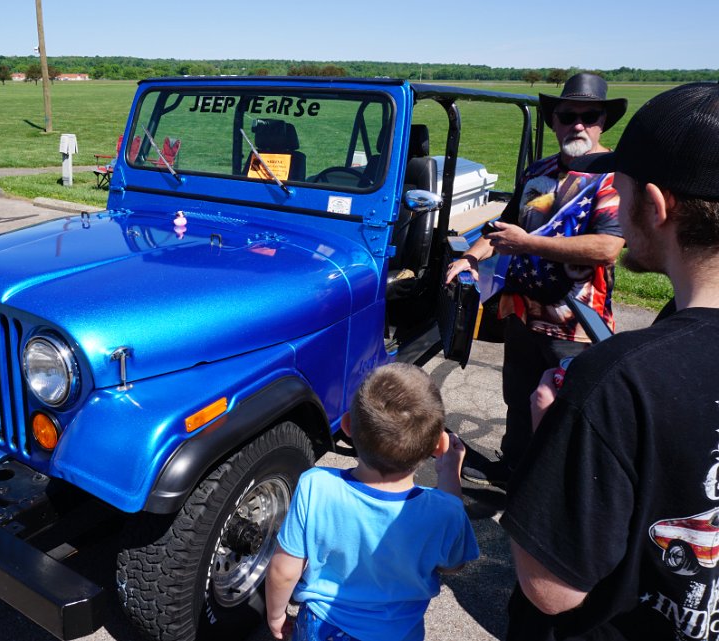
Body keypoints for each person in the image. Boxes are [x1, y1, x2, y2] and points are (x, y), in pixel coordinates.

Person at [501, 82, 719, 640]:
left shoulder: (620, 380)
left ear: (655, 206)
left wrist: (557, 436)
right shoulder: (538, 173)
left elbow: (550, 589)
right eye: (566, 114)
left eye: (622, 190)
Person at [445, 72, 627, 487]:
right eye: (567, 115)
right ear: (554, 121)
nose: (577, 124)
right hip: (523, 315)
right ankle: (512, 470)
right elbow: (503, 227)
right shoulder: (538, 171)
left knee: (566, 411)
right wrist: (471, 257)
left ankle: (553, 492)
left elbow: (607, 248)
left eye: (589, 116)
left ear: (602, 123)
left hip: (575, 325)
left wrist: (527, 244)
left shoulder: (613, 177)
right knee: (518, 398)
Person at [265, 363, 479, 641]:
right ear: (438, 445)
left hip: (322, 627)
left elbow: (284, 571)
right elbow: (452, 564)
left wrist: (276, 616)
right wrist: (450, 471)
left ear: (347, 426)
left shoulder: (316, 486)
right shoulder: (446, 511)